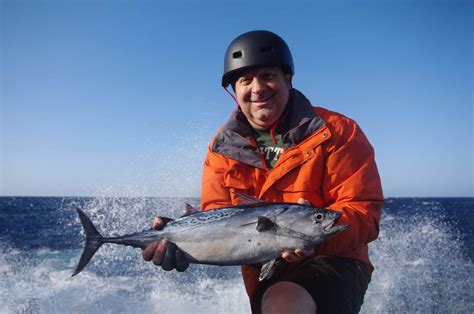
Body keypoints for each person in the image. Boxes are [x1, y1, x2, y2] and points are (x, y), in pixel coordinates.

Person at [142, 30, 384, 313]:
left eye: (268, 76)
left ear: (288, 80)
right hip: (263, 270)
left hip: (336, 260)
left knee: (283, 305)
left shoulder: (337, 131)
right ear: (234, 91)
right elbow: (219, 215)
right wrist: (181, 243)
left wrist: (312, 236)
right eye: (245, 80)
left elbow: (363, 212)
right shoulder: (221, 149)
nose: (257, 88)